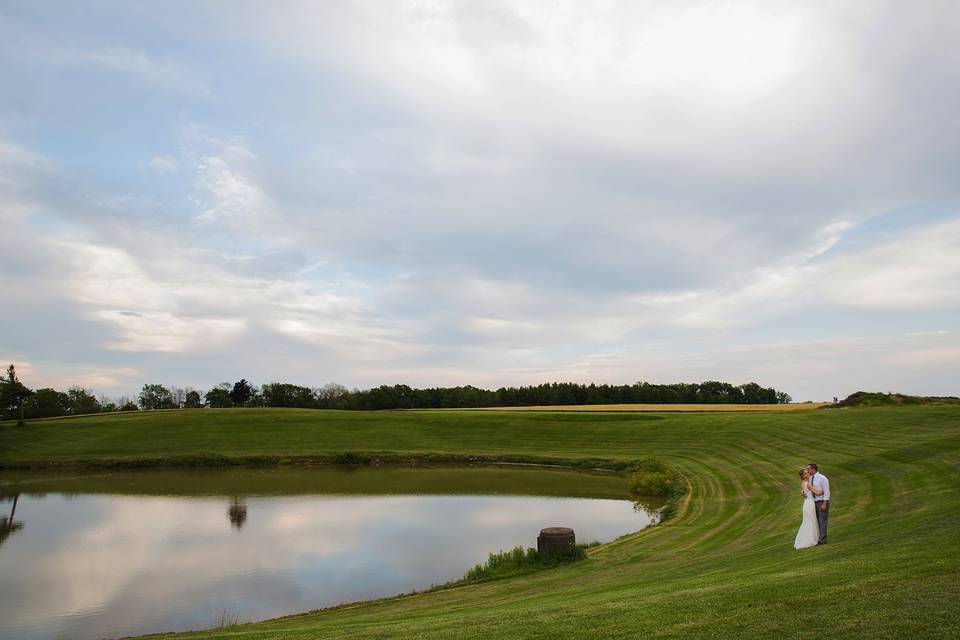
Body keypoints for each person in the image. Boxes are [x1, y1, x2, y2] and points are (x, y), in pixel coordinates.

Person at [794, 468, 819, 549]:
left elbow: (803, 492)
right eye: (805, 473)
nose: (808, 474)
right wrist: (824, 491)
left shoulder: (803, 483)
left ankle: (808, 538)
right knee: (811, 521)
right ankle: (810, 540)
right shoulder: (808, 484)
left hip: (806, 503)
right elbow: (817, 492)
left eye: (808, 473)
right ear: (802, 476)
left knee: (808, 521)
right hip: (810, 504)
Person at [806, 463, 830, 544]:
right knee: (817, 521)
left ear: (813, 469)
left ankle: (822, 540)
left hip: (821, 502)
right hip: (814, 502)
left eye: (808, 469)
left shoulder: (822, 478)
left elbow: (827, 491)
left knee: (822, 521)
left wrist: (825, 503)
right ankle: (819, 538)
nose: (807, 471)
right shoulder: (810, 478)